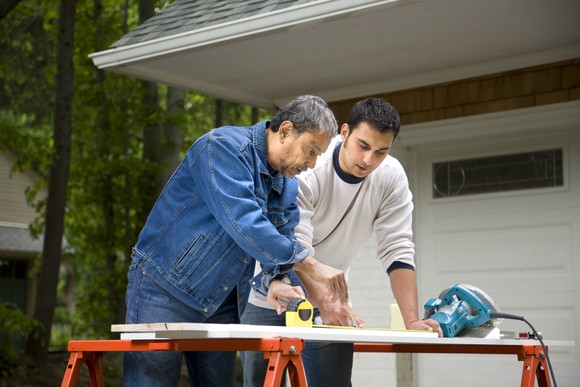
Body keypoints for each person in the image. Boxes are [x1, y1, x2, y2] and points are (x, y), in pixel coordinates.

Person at [123, 95, 351, 387]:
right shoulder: (221, 149)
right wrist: (312, 266)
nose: (312, 163)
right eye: (311, 150)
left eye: (319, 154)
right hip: (164, 287)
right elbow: (245, 222)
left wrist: (277, 279)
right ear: (285, 131)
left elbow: (282, 236)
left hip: (220, 298)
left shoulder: (286, 183)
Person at [241, 97, 442, 387]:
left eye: (381, 152)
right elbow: (294, 246)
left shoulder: (391, 177)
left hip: (330, 300)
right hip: (269, 294)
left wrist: (412, 321)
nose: (368, 160)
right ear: (344, 132)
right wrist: (323, 300)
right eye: (363, 146)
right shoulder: (309, 167)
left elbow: (398, 249)